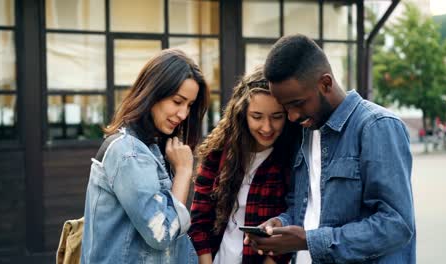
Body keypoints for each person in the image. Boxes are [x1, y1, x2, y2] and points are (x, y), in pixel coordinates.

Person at [244, 34, 416, 263]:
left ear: (325, 83)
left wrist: (308, 240)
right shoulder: (306, 130)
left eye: (298, 103)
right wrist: (281, 224)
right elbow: (305, 208)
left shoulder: (376, 126)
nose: (293, 116)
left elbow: (397, 224)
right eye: (286, 107)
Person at [81, 49, 209, 264]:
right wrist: (184, 172)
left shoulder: (155, 147)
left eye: (190, 105)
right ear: (153, 93)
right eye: (177, 101)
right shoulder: (128, 152)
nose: (183, 114)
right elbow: (162, 234)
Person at [189, 66, 301, 264]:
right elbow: (199, 221)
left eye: (277, 117)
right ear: (242, 114)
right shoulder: (217, 153)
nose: (267, 127)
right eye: (257, 117)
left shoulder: (293, 158)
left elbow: (291, 223)